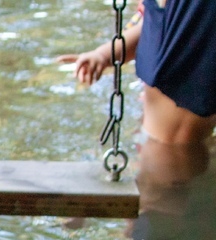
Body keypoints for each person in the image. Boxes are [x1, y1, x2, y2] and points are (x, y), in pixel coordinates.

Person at [58, 0, 216, 145]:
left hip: (173, 140)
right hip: (172, 119)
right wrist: (104, 54)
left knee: (164, 160)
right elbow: (162, 24)